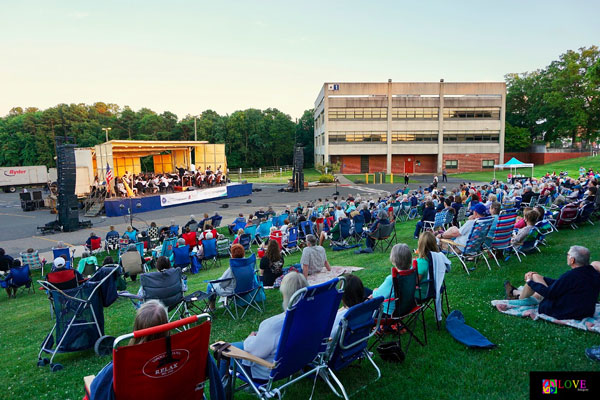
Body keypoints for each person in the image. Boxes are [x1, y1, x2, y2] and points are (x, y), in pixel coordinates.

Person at [219, 272, 309, 383]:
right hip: (298, 361)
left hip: (268, 370)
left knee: (223, 350)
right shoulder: (312, 316)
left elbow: (252, 351)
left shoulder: (273, 325)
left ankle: (220, 391)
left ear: (285, 294)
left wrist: (250, 338)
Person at [89, 300, 169, 400]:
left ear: (136, 327)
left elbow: (97, 390)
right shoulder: (183, 355)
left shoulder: (121, 366)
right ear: (167, 327)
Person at [503, 246, 600, 320]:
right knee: (536, 277)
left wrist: (529, 281)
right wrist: (542, 278)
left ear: (572, 260)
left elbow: (549, 293)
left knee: (533, 283)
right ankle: (516, 293)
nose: (567, 256)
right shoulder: (593, 273)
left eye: (568, 255)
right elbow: (561, 284)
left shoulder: (571, 276)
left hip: (565, 311)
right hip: (586, 311)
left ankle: (518, 297)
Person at [372, 243, 412, 315]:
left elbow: (377, 296)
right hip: (407, 307)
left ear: (393, 260)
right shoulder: (412, 273)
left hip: (388, 312)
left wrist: (375, 291)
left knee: (364, 291)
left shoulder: (392, 279)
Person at [206, 244, 245, 310]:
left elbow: (222, 284)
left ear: (232, 255)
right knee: (220, 280)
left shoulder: (232, 269)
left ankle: (212, 307)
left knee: (210, 285)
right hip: (246, 288)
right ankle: (224, 303)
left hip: (233, 291)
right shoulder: (247, 264)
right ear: (243, 253)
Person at [415, 232, 438, 300]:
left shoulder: (421, 262)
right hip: (435, 288)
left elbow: (415, 282)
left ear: (420, 245)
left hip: (421, 293)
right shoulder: (438, 260)